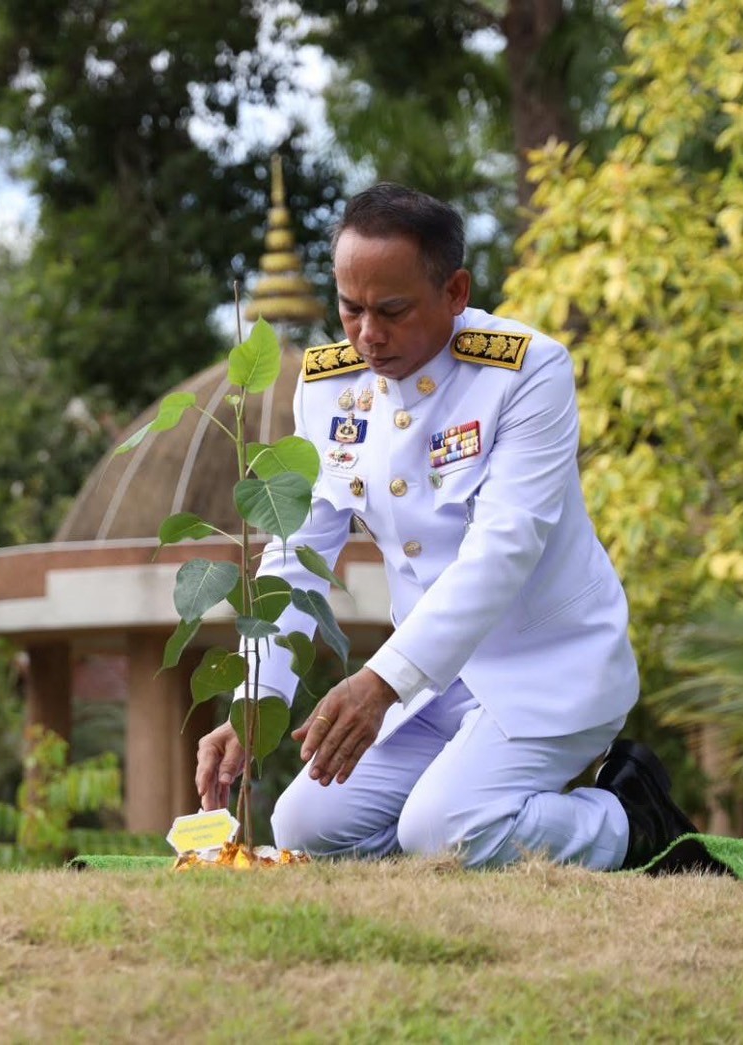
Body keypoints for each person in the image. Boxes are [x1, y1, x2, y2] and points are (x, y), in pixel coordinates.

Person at [194, 183, 696, 870]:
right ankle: (461, 828)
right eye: (350, 308)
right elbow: (297, 551)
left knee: (445, 830)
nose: (367, 335)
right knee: (303, 826)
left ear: (455, 291)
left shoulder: (525, 371)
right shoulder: (328, 387)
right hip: (435, 683)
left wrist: (382, 681)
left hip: (547, 669)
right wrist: (256, 700)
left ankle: (628, 820)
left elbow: (503, 549)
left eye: (392, 311)